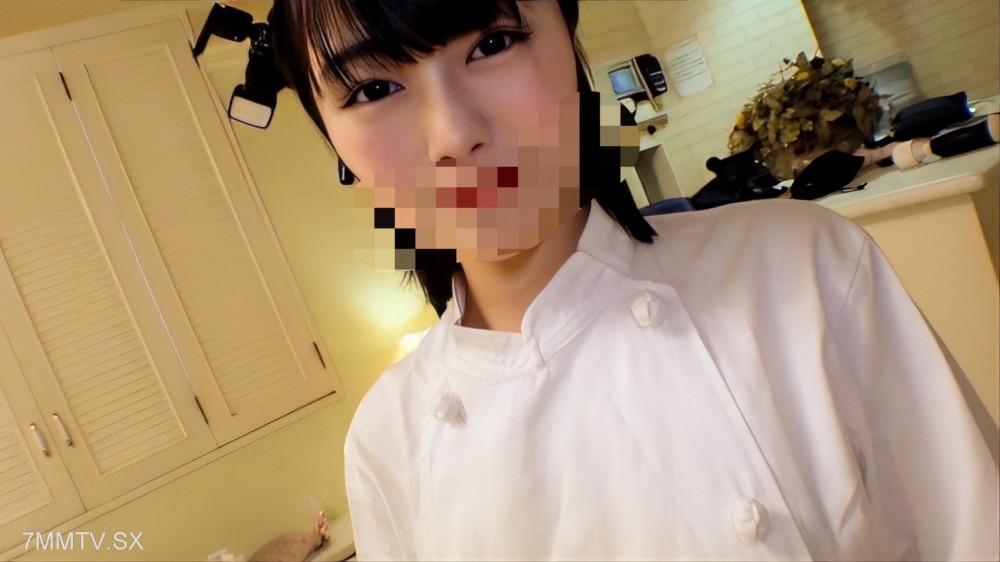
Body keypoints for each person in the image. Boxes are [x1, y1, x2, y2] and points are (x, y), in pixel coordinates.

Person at [267, 0, 1000, 559]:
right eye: (372, 89)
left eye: (492, 44)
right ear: (335, 144)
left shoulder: (800, 270)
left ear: (571, 46)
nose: (454, 134)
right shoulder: (386, 440)